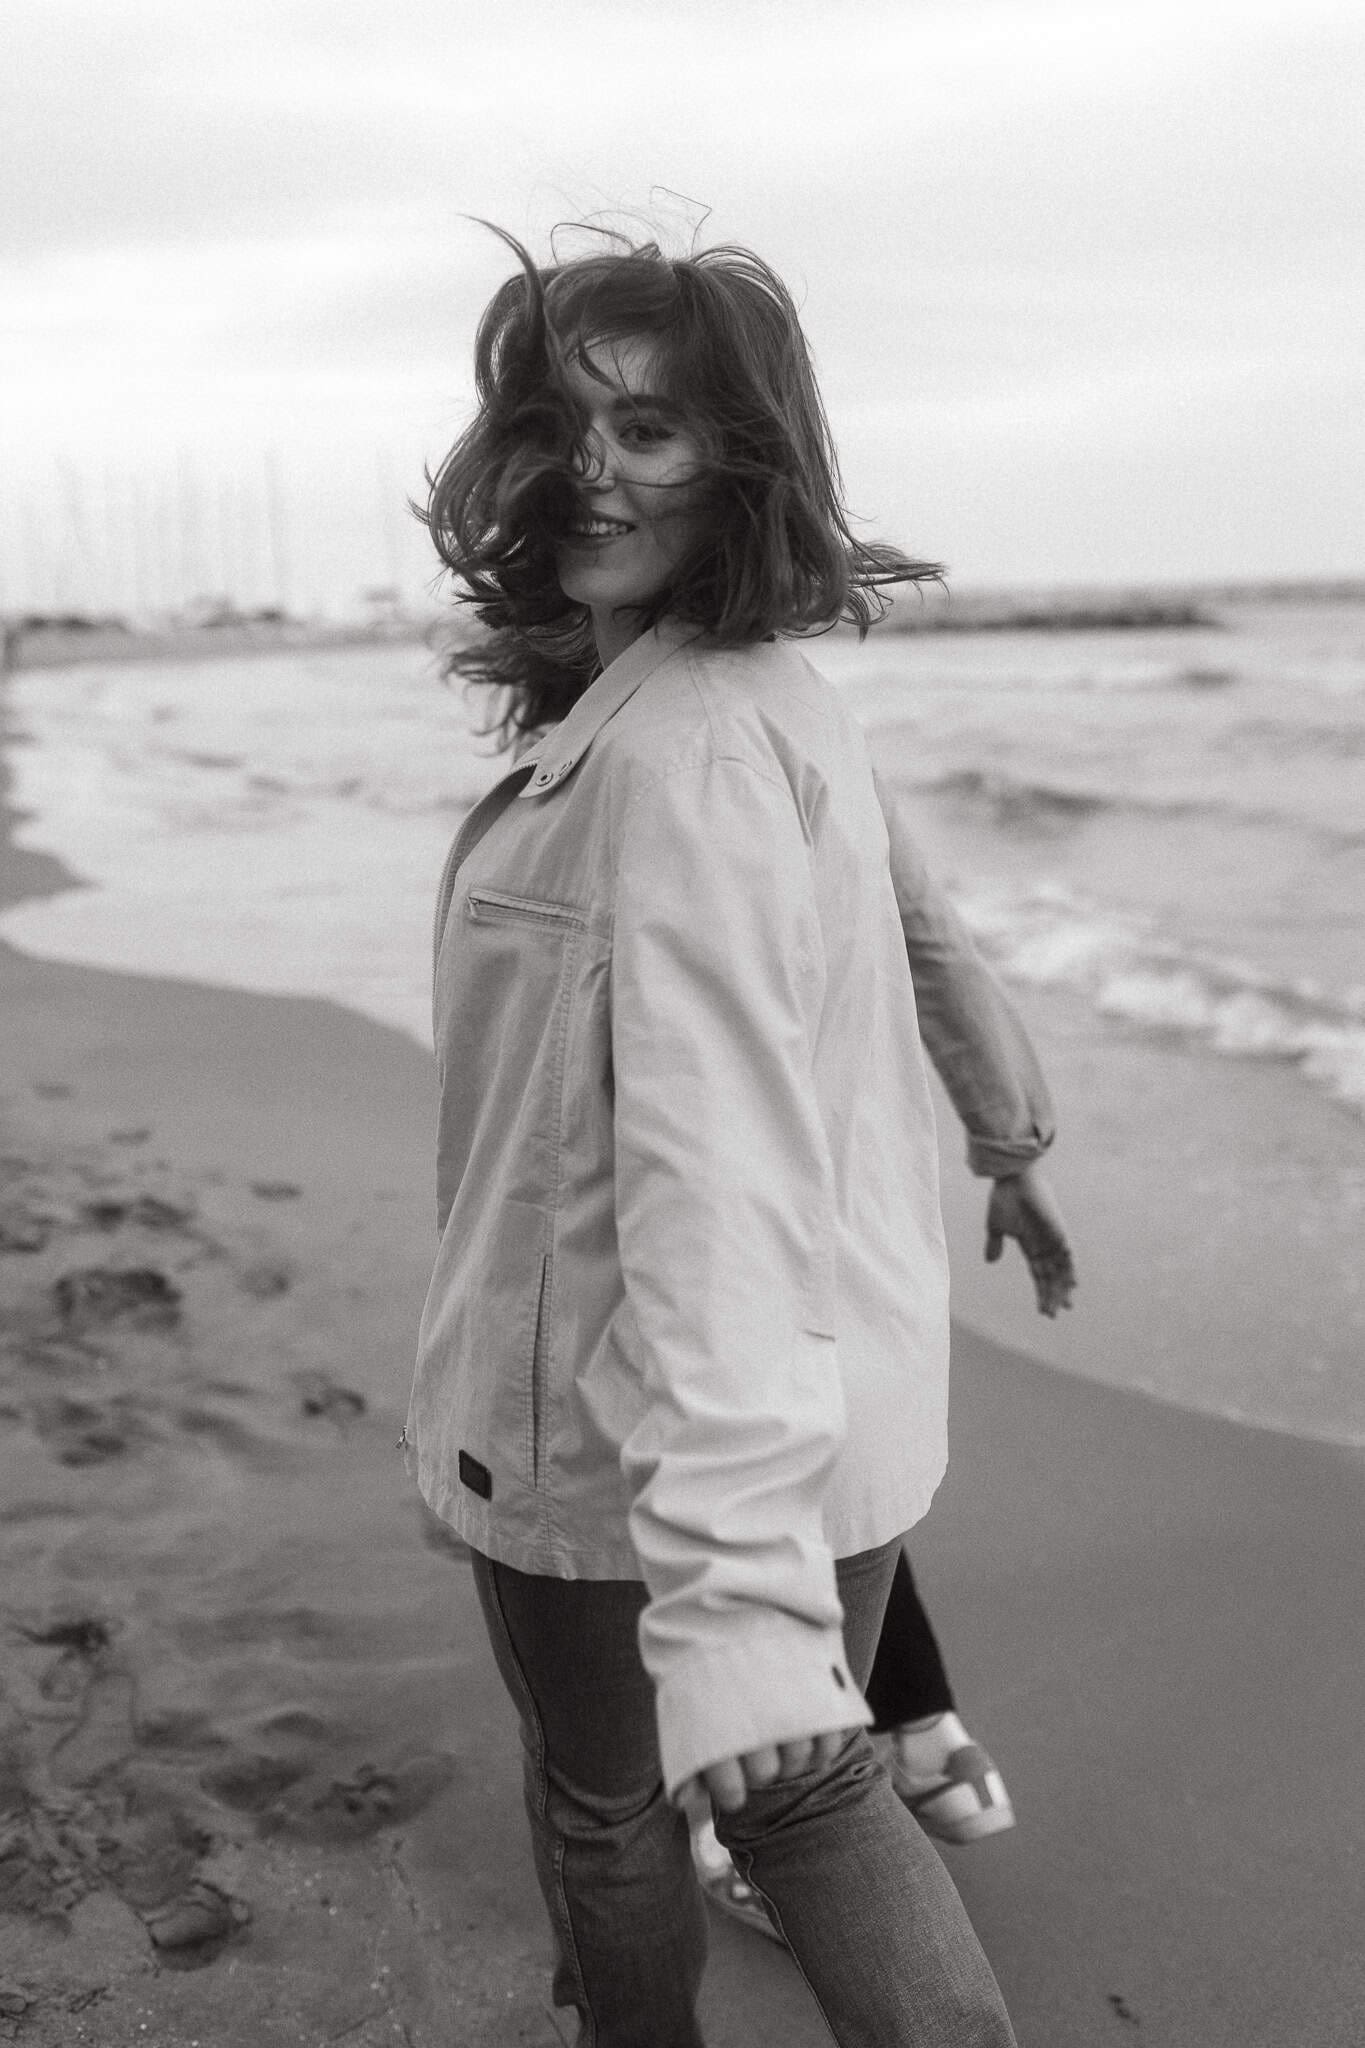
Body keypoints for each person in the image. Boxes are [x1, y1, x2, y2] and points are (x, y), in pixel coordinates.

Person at [405, 225, 1019, 2046]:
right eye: (559, 417)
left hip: (628, 1437)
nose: (595, 465)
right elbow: (912, 926)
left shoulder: (672, 761)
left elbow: (712, 1167)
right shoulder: (765, 702)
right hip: (828, 1411)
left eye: (657, 430)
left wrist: (736, 1601)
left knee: (624, 1801)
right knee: (819, 1785)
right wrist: (1014, 1126)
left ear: (743, 458)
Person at [690, 807, 1077, 1932]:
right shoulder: (831, 735)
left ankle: (758, 1816)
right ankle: (921, 1728)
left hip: (705, 1197)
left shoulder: (630, 732)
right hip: (849, 1192)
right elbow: (935, 940)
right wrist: (1010, 1149)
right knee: (834, 1472)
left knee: (719, 1494)